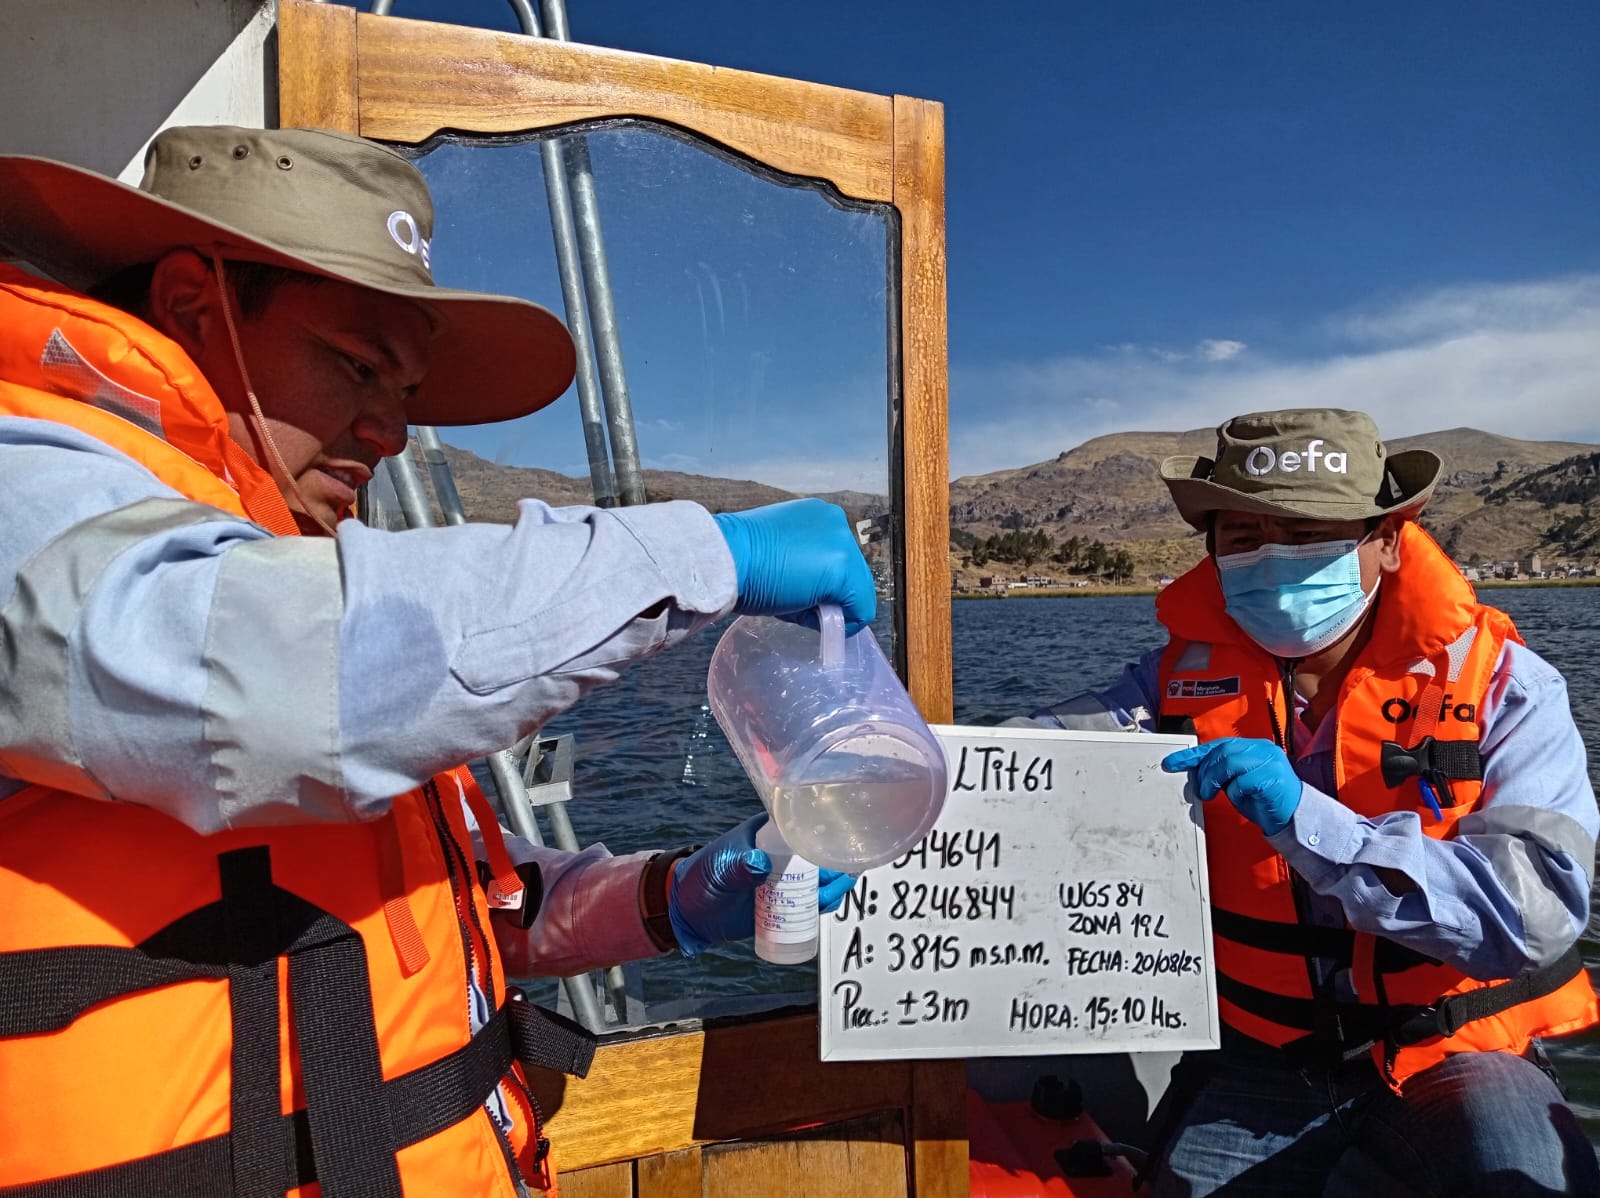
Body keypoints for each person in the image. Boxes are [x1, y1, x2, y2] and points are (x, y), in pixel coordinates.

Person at [0, 125, 869, 1195]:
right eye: (357, 366)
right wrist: (702, 550)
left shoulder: (302, 579)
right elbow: (250, 672)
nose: (390, 431)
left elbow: (455, 909)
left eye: (403, 392)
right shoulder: (29, 490)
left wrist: (674, 895)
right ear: (191, 305)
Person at [1017, 409, 1600, 1196]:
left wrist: (1309, 821)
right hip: (1263, 1054)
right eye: (1244, 537)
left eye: (1308, 534)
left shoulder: (1507, 687)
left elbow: (1533, 915)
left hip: (1454, 1057)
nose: (1274, 559)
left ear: (1390, 539)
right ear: (1212, 553)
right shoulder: (1166, 684)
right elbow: (1030, 755)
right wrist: (862, 804)